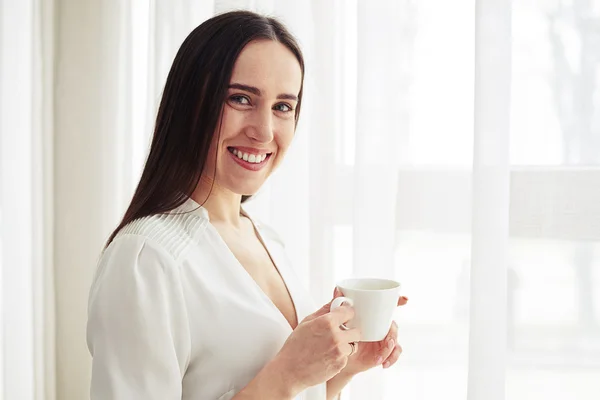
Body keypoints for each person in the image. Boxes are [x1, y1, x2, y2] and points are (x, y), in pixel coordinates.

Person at [86, 10, 407, 400]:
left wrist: (335, 371)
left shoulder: (266, 239)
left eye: (283, 106)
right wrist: (286, 376)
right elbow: (278, 383)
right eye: (240, 98)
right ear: (191, 104)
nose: (264, 131)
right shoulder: (146, 258)